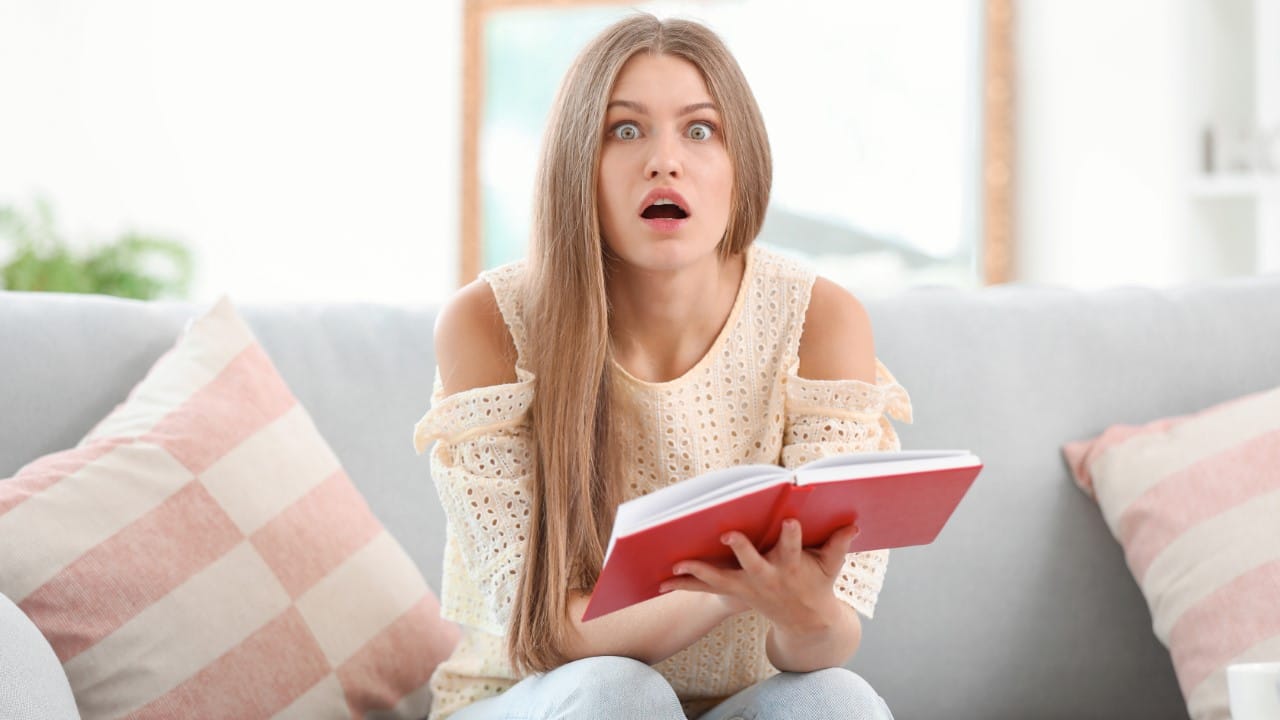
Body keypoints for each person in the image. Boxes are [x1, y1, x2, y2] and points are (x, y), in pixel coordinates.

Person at [414, 13, 911, 719]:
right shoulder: (490, 323)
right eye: (625, 130)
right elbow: (548, 636)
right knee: (623, 693)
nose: (664, 160)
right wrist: (733, 582)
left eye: (700, 130)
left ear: (742, 165)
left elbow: (825, 645)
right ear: (576, 164)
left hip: (731, 705)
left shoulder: (822, 321)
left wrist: (803, 613)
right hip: (543, 700)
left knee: (838, 700)